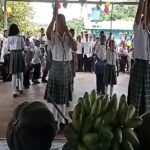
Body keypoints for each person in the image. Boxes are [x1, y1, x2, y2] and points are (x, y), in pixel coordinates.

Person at [44, 4, 77, 132]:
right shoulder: (52, 36)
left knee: (63, 97)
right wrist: (53, 17)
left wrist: (68, 33)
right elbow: (47, 32)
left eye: (63, 22)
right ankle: (54, 119)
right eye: (59, 22)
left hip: (66, 67)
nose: (61, 25)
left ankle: (62, 120)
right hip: (56, 67)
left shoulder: (68, 37)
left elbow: (74, 47)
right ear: (56, 24)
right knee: (55, 97)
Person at [128, 0, 150, 116]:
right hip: (139, 66)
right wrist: (143, 2)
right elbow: (138, 16)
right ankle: (135, 128)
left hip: (148, 68)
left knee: (147, 104)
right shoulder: (138, 28)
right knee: (136, 103)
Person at [7, 24, 25, 98]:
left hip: (13, 54)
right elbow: (23, 47)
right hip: (19, 54)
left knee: (14, 74)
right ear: (17, 29)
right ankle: (21, 88)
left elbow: (8, 48)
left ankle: (14, 91)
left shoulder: (9, 38)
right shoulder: (20, 37)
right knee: (20, 72)